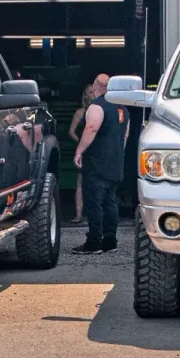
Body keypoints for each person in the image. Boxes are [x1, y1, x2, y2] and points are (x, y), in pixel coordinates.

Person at [72, 76, 125, 254]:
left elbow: (91, 128)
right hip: (115, 163)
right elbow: (123, 137)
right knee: (110, 202)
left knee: (94, 203)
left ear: (96, 87)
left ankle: (94, 242)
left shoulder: (97, 106)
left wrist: (79, 151)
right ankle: (110, 240)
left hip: (96, 163)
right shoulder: (122, 108)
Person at [67, 73, 109, 224]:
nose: (93, 94)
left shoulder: (105, 109)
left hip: (100, 151)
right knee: (80, 182)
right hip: (85, 151)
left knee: (101, 182)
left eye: (94, 91)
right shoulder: (80, 113)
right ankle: (79, 214)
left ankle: (100, 215)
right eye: (90, 92)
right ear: (85, 95)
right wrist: (82, 143)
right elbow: (71, 132)